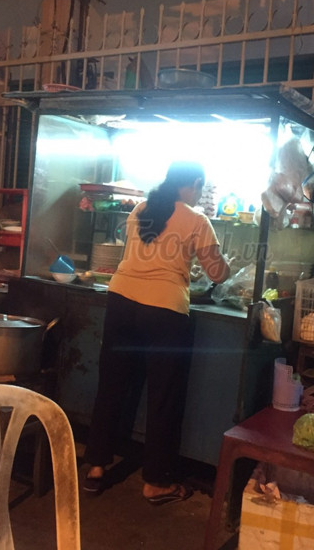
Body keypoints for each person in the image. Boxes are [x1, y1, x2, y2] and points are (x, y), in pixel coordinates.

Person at [83, 161, 231, 504]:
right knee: (163, 396)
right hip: (164, 309)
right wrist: (225, 264)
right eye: (200, 189)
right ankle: (155, 482)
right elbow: (217, 273)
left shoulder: (141, 209)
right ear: (195, 184)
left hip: (120, 301)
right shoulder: (197, 220)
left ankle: (96, 467)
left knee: (111, 385)